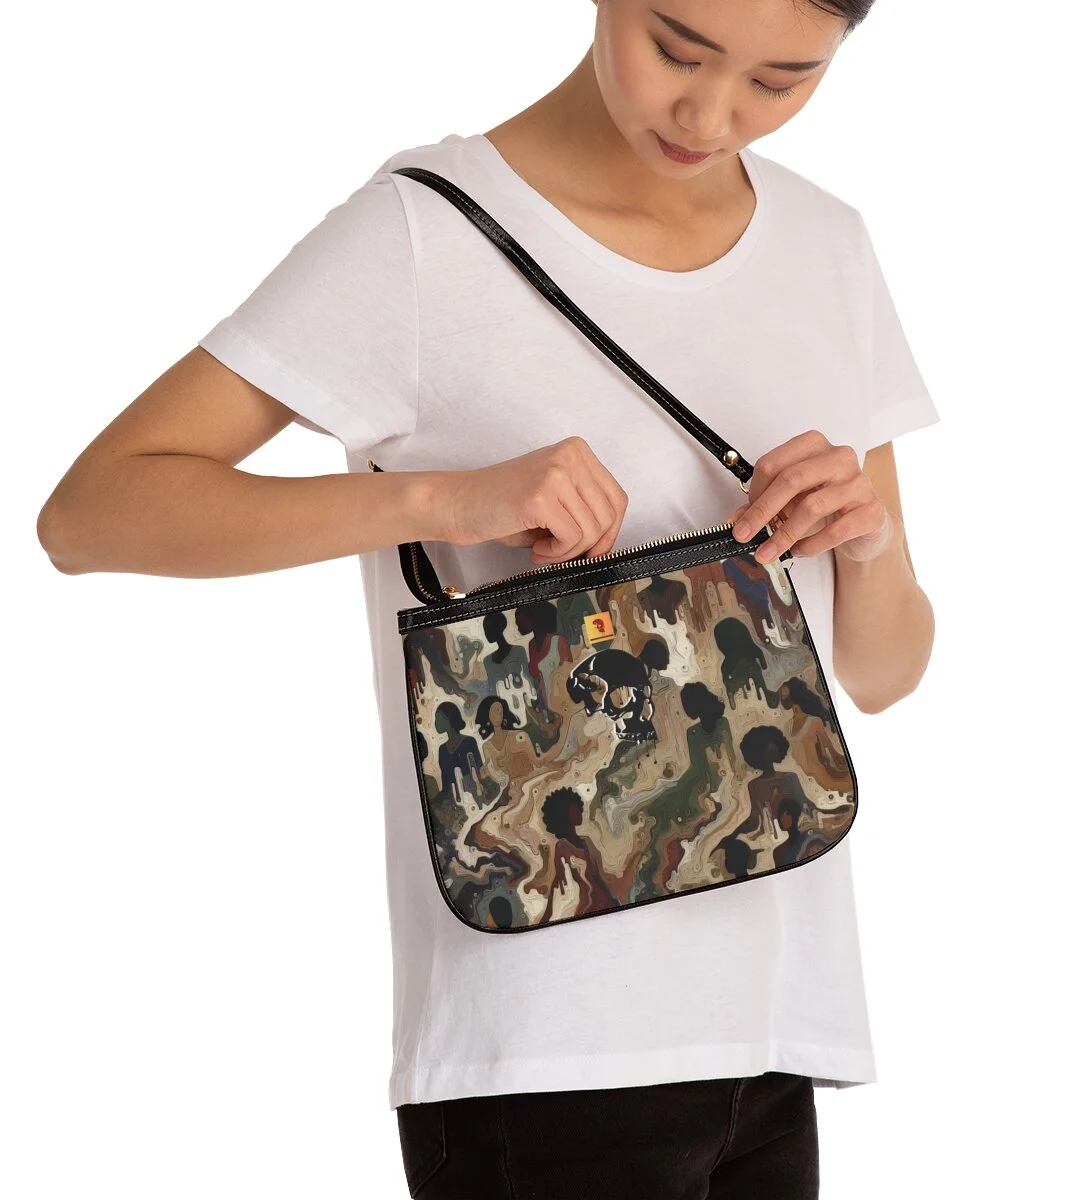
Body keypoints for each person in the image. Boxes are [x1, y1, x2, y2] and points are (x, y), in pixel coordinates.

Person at [35, 0, 940, 1195]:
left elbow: (883, 674)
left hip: (779, 1032)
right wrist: (440, 501)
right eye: (678, 48)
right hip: (543, 1040)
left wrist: (866, 546)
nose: (714, 112)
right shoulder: (421, 234)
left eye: (782, 79)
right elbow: (91, 513)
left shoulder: (828, 246)